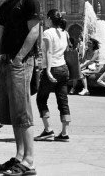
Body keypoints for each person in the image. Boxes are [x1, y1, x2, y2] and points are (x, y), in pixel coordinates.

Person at [0, 0, 40, 176]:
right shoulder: (5, 5)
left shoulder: (29, 0)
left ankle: (29, 161)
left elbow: (35, 30)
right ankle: (19, 155)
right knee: (12, 111)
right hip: (5, 61)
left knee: (22, 110)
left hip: (21, 62)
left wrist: (19, 58)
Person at [35, 9, 71, 141]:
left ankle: (48, 129)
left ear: (50, 19)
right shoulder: (65, 33)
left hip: (53, 68)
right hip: (63, 68)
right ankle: (64, 133)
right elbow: (66, 51)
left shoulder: (47, 32)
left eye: (45, 18)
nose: (44, 20)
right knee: (63, 101)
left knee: (41, 98)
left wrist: (48, 70)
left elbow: (49, 52)